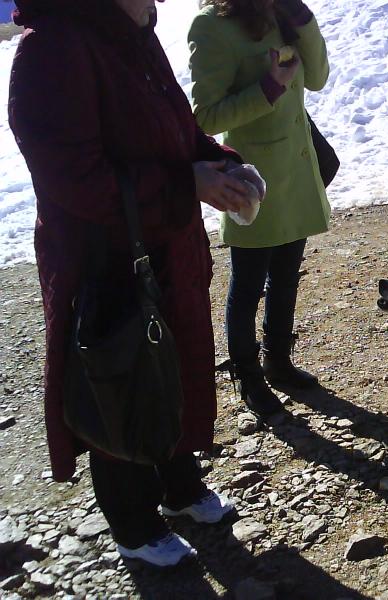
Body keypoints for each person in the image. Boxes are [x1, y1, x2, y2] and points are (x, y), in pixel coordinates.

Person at [8, 0, 253, 567]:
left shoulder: (134, 35)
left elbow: (178, 132)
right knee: (120, 382)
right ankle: (134, 527)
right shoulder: (53, 50)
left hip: (164, 244)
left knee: (173, 365)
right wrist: (181, 184)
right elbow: (74, 180)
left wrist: (221, 166)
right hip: (104, 261)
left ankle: (180, 490)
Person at [188, 0, 331, 419]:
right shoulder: (212, 26)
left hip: (296, 173)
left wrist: (303, 19)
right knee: (248, 286)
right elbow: (206, 118)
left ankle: (279, 361)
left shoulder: (285, 14)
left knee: (287, 276)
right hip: (253, 183)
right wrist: (268, 88)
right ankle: (247, 376)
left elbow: (318, 78)